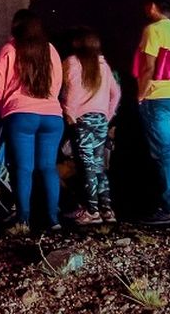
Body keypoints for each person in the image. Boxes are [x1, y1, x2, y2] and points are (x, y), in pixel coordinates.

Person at [0, 9, 63, 233]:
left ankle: (23, 220)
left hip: (20, 114)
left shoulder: (9, 50)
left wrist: (4, 109)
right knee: (48, 168)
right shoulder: (50, 50)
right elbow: (57, 83)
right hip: (52, 115)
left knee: (23, 168)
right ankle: (53, 220)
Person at [131, 0, 170, 226]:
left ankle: (166, 208)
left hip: (157, 98)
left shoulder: (152, 30)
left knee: (161, 154)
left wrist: (141, 95)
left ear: (153, 6)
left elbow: (148, 67)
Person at [59, 32, 120, 225]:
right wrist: (107, 115)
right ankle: (107, 210)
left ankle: (92, 211)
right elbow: (115, 93)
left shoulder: (73, 62)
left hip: (82, 120)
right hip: (101, 120)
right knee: (99, 165)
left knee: (86, 167)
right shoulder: (103, 65)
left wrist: (69, 113)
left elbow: (73, 91)